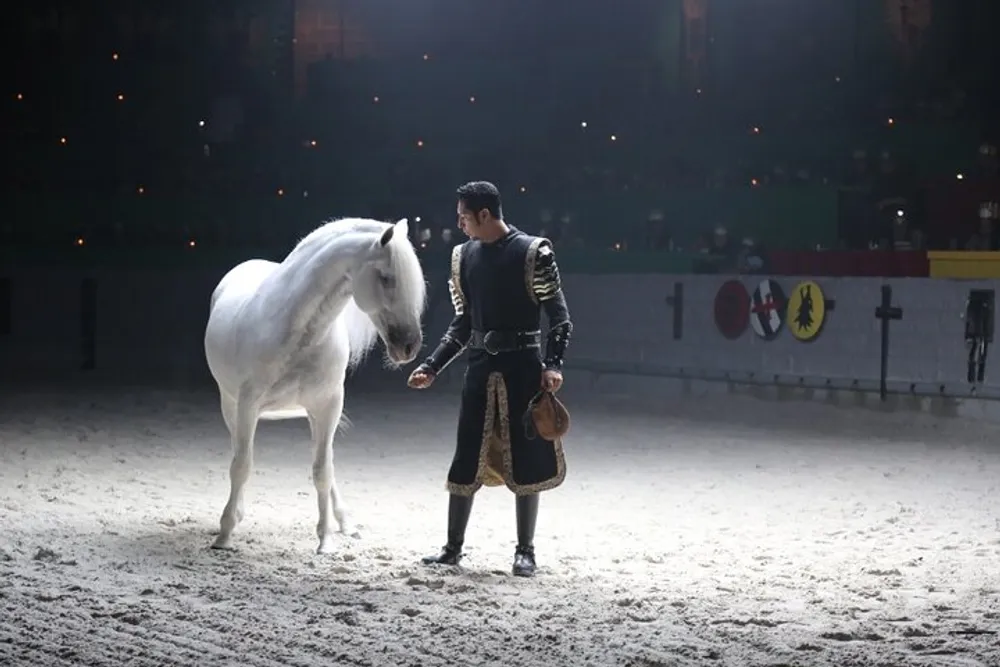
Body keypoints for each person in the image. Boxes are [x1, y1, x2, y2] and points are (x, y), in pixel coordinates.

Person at [407, 180, 572, 577]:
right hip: (480, 370)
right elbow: (462, 324)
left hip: (524, 368)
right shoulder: (463, 257)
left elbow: (560, 317)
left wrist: (552, 364)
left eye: (464, 216)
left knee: (527, 456)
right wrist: (432, 365)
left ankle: (525, 551)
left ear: (484, 214)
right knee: (466, 455)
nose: (460, 224)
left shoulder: (534, 252)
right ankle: (452, 548)